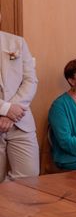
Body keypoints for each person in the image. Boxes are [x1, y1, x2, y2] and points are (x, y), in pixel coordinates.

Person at [0, 15, 39, 181]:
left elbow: (30, 80)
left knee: (28, 179)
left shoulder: (17, 42)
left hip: (20, 121)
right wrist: (5, 109)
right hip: (10, 113)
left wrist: (12, 111)